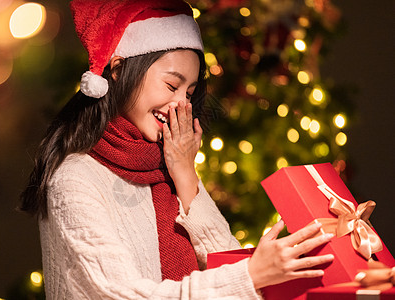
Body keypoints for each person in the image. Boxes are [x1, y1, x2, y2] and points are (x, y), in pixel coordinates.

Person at [20, 0, 335, 298]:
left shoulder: (165, 165)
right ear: (117, 71)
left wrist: (185, 172)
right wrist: (250, 275)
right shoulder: (75, 178)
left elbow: (224, 260)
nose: (181, 104)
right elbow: (128, 296)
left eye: (190, 92)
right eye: (172, 85)